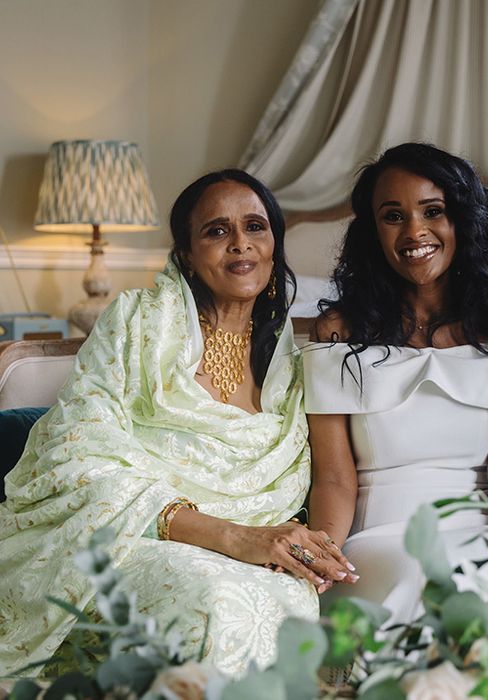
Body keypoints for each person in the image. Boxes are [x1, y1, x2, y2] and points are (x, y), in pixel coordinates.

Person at [0, 169, 355, 677]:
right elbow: (78, 448)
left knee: (263, 606)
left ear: (274, 245)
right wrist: (232, 536)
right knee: (216, 604)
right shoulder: (135, 323)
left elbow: (336, 475)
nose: (240, 245)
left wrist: (313, 551)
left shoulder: (300, 369)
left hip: (262, 564)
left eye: (256, 227)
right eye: (216, 231)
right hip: (126, 540)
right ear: (186, 253)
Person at [303, 143, 488, 626]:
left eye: (433, 211)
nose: (414, 231)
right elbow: (334, 478)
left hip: (484, 532)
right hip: (379, 537)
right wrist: (322, 556)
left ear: (462, 221)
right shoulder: (339, 331)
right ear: (373, 232)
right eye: (392, 216)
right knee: (429, 578)